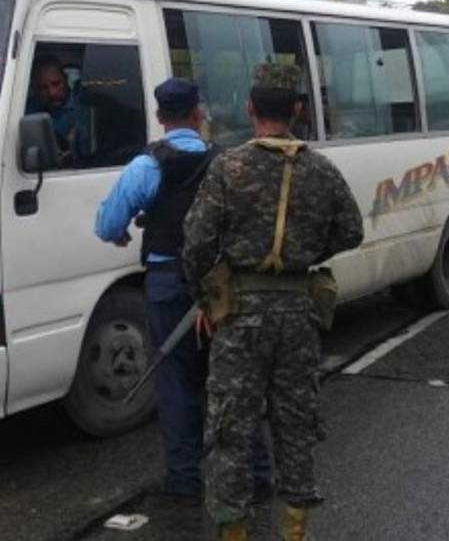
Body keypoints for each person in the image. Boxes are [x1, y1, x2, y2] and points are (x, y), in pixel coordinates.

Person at [183, 63, 364, 541]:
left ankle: (234, 533)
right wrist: (304, 254)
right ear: (298, 110)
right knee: (295, 424)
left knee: (231, 430)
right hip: (299, 315)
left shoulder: (228, 167)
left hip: (240, 317)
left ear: (249, 108)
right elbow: (351, 230)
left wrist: (204, 298)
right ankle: (295, 532)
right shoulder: (321, 170)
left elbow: (196, 244)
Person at [94, 78, 272, 500]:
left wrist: (122, 233)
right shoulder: (227, 162)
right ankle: (258, 473)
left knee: (175, 383)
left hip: (167, 284)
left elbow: (106, 225)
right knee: (234, 379)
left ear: (160, 117)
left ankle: (184, 479)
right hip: (221, 286)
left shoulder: (146, 166)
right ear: (198, 113)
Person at [26, 54, 81, 156]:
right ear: (34, 89)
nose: (52, 93)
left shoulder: (85, 104)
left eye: (56, 84)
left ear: (65, 79)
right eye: (43, 88)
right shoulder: (27, 110)